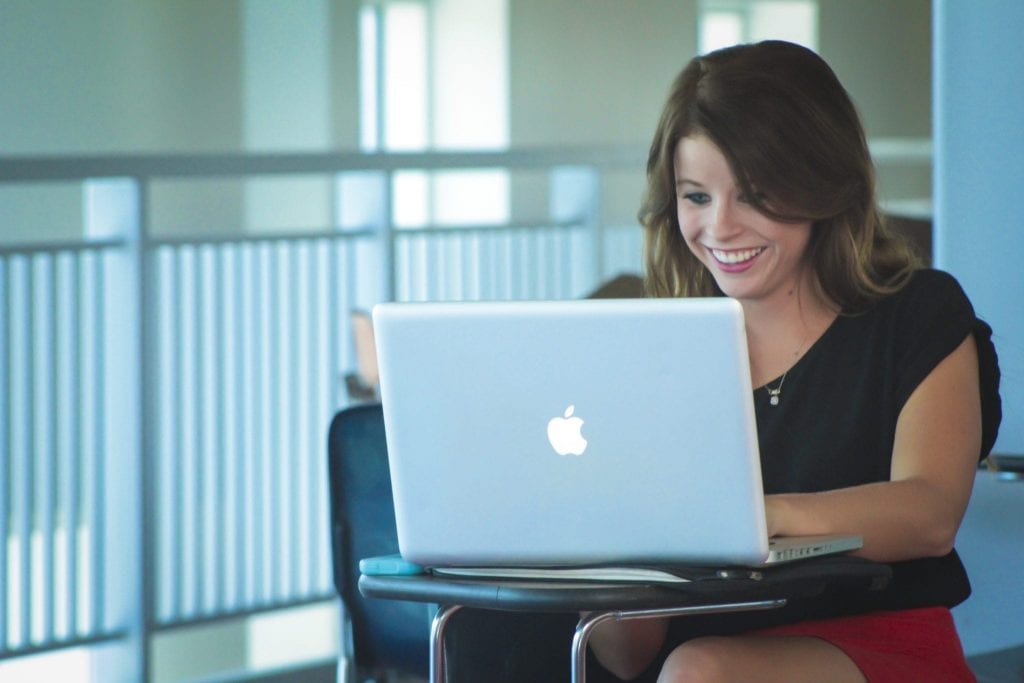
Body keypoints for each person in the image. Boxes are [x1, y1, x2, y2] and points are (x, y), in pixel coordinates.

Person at [585, 39, 1002, 682]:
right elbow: (627, 656)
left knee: (701, 671)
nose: (719, 227)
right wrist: (604, 542)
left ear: (820, 182)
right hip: (691, 659)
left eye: (751, 193)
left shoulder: (919, 313)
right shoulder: (656, 349)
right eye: (696, 197)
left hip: (879, 645)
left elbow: (928, 515)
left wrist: (756, 516)